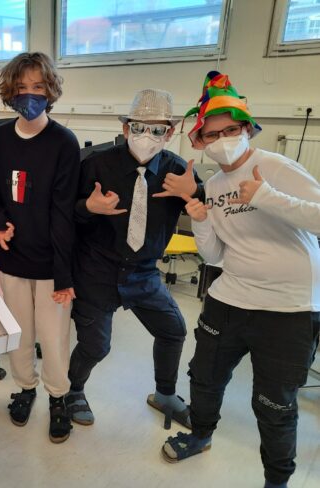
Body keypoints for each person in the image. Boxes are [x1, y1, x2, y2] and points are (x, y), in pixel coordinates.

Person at [161, 71, 320, 488]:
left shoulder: (274, 167)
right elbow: (215, 256)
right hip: (229, 299)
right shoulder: (214, 185)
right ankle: (200, 435)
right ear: (200, 141)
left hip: (289, 309)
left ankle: (277, 480)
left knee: (274, 404)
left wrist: (266, 197)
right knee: (204, 377)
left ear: (247, 129)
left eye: (231, 130)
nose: (224, 139)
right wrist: (200, 220)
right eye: (213, 134)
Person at [66, 88, 203, 429]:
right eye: (139, 128)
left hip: (143, 273)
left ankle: (165, 394)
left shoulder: (176, 170)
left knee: (173, 329)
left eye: (157, 129)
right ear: (126, 128)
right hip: (97, 271)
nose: (146, 136)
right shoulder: (95, 165)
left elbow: (203, 208)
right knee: (96, 346)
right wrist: (87, 207)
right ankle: (73, 391)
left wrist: (195, 192)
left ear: (170, 132)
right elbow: (66, 215)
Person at [0, 52, 80, 443]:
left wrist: (64, 274)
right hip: (11, 260)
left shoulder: (63, 142)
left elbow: (64, 212)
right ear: (9, 92)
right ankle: (25, 388)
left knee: (53, 341)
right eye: (21, 87)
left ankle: (58, 397)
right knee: (19, 335)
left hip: (52, 265)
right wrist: (0, 223)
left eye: (38, 87)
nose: (29, 95)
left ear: (51, 91)